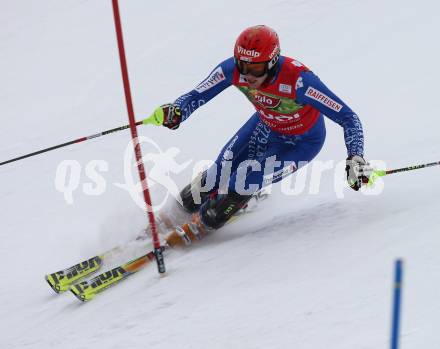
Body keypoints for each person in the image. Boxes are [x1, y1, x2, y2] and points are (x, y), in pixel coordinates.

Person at [146, 25, 370, 238]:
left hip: (302, 144)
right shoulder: (232, 70)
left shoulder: (300, 81)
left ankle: (207, 221)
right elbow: (196, 95)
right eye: (243, 67)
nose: (248, 75)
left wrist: (355, 157)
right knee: (218, 172)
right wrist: (176, 111)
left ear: (272, 62)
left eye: (255, 69)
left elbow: (348, 118)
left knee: (243, 180)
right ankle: (175, 214)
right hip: (265, 127)